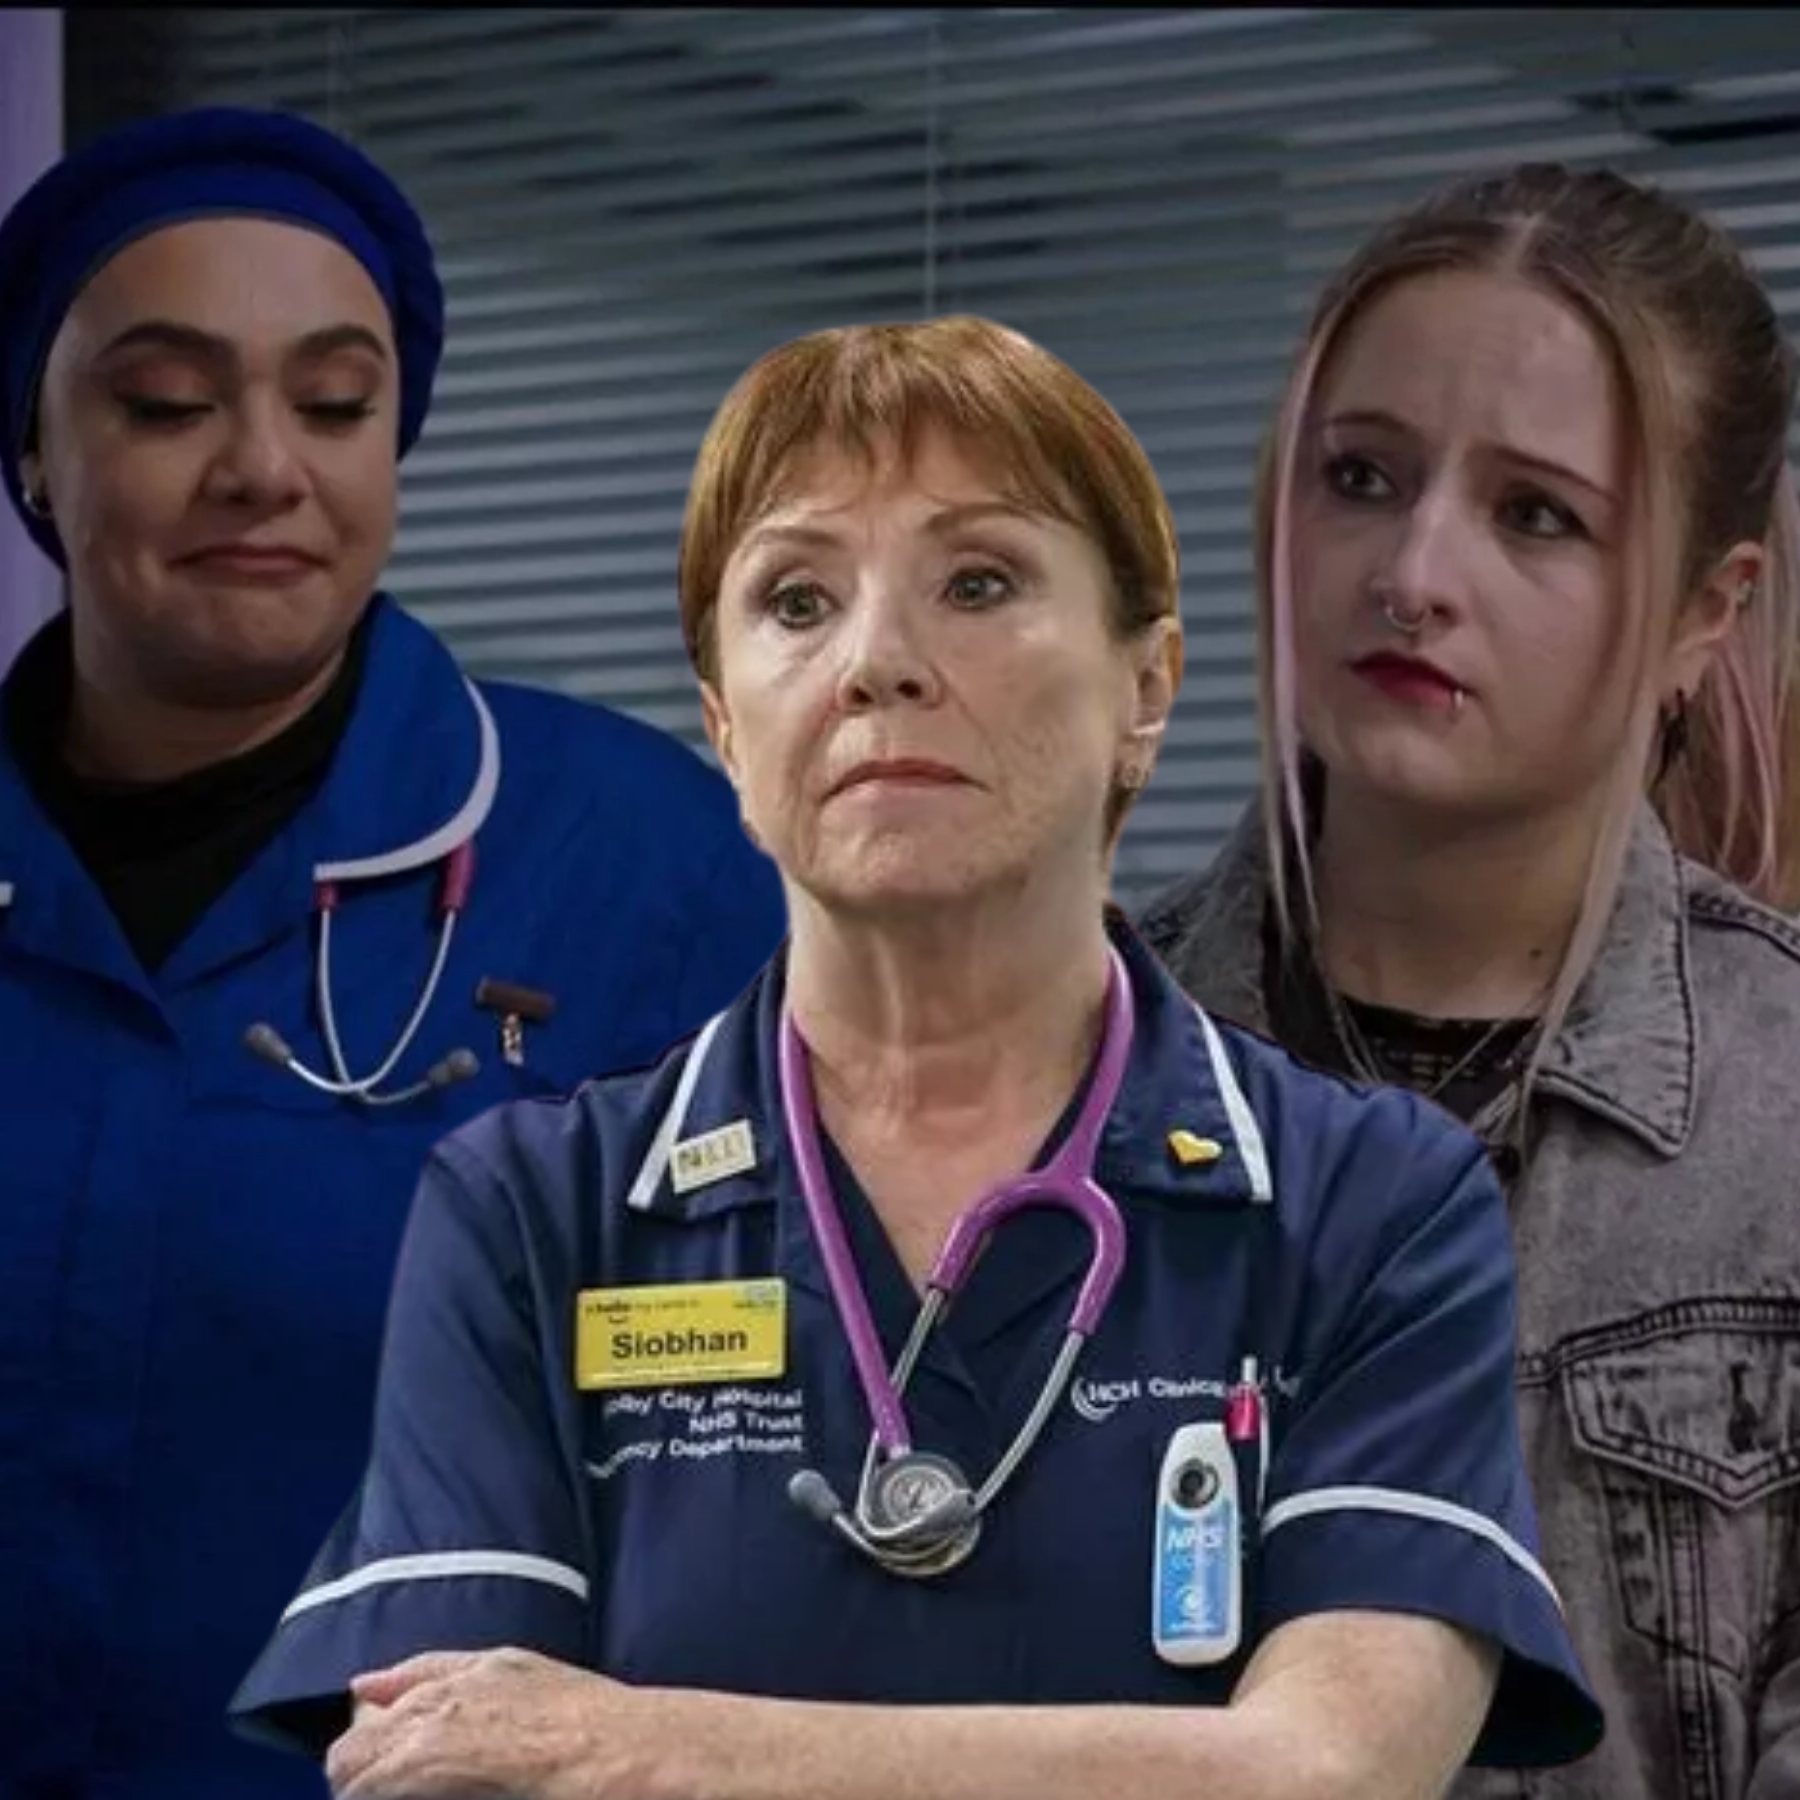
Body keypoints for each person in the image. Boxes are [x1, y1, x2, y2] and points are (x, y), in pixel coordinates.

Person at [231, 315, 1603, 1800]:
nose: (879, 662)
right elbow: (451, 1769)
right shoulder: (534, 1215)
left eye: (978, 582)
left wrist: (628, 1741)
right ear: (725, 731)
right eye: (797, 600)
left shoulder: (1373, 1208)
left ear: (1147, 688)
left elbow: (1321, 1776)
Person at [0, 106, 786, 1800]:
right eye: (167, 402)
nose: (263, 468)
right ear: (34, 454)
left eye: (337, 404)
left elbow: (746, 1454)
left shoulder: (645, 871)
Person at [1139, 163, 1800, 1800]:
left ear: (1704, 615)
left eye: (1536, 516)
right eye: (1361, 476)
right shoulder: (1064, 1058)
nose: (1414, 571)